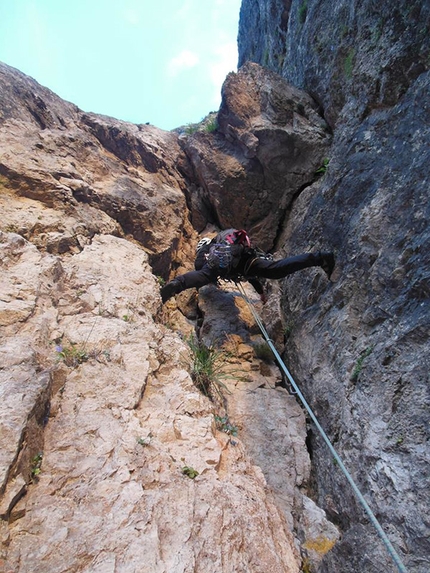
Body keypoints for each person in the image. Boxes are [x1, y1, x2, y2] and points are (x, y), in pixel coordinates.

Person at [161, 228, 335, 304]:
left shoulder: (205, 250)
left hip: (233, 265)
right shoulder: (229, 243)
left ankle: (177, 284)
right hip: (245, 261)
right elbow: (251, 276)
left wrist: (208, 277)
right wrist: (260, 293)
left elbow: (201, 271)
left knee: (205, 275)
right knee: (274, 270)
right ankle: (320, 258)